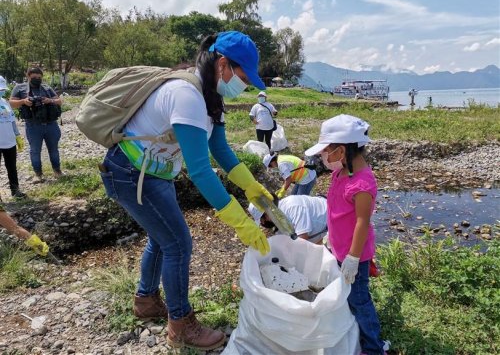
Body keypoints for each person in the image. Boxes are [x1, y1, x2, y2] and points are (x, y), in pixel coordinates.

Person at [99, 31, 272, 351]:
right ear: (224, 64)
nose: (244, 86)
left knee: (162, 237)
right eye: (244, 77)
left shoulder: (211, 96)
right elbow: (200, 170)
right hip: (129, 173)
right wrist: (239, 221)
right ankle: (180, 324)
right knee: (178, 243)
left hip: (154, 174)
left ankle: (146, 300)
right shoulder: (186, 94)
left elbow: (219, 149)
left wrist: (251, 186)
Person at [305, 114, 388, 355]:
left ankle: (374, 348)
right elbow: (337, 210)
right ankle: (355, 330)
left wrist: (352, 258)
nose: (324, 157)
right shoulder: (339, 173)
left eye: (326, 151)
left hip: (355, 255)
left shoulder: (362, 184)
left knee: (360, 299)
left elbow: (362, 222)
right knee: (350, 295)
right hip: (340, 247)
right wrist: (331, 235)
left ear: (341, 151)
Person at [9, 67, 63, 182]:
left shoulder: (47, 88)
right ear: (28, 76)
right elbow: (12, 103)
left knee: (54, 149)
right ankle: (38, 174)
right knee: (35, 150)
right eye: (34, 77)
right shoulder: (20, 88)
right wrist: (23, 101)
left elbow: (59, 101)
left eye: (39, 77)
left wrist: (50, 100)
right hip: (33, 125)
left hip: (51, 124)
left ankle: (57, 171)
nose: (37, 79)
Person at [248, 195, 328, 244]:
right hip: (319, 228)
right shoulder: (279, 217)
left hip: (331, 219)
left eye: (264, 219)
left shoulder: (293, 207)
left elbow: (303, 241)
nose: (266, 222)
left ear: (268, 209)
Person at [0, 76, 26, 198]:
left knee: (12, 168)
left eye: (2, 89)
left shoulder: (5, 102)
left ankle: (15, 191)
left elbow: (12, 120)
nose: (2, 91)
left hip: (10, 141)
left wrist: (17, 135)